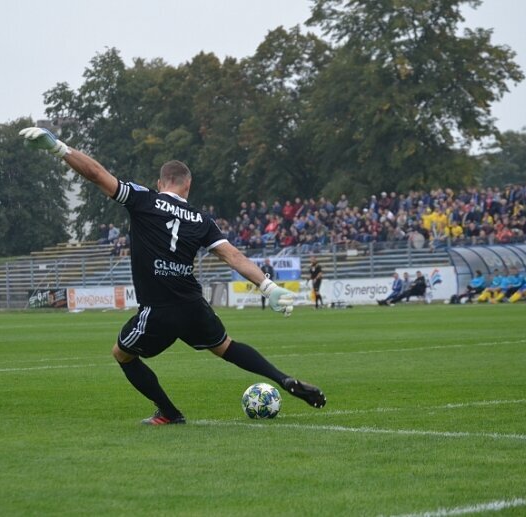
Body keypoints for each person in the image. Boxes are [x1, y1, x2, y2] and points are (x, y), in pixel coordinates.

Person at [20, 127, 326, 425]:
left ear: (160, 181)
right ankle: (282, 379)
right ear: (187, 185)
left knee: (122, 354)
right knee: (226, 348)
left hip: (159, 309)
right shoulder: (202, 219)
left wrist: (58, 148)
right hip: (193, 304)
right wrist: (268, 285)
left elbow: (97, 174)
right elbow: (234, 255)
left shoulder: (144, 199)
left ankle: (168, 411)